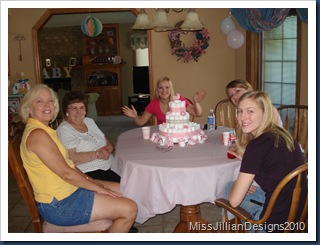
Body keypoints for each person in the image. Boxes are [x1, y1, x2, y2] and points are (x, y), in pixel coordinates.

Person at [19, 84, 137, 233]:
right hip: (59, 204)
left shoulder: (45, 130)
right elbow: (66, 173)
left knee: (126, 189)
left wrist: (92, 181)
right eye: (39, 101)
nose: (47, 105)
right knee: (130, 209)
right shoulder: (38, 135)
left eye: (50, 100)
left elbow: (69, 166)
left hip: (69, 190)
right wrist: (100, 189)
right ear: (28, 108)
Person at [225, 91, 307, 232]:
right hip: (299, 214)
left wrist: (235, 187)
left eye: (250, 111)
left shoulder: (256, 146)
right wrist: (246, 161)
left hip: (272, 225)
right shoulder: (283, 134)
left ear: (265, 113)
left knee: (228, 192)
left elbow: (234, 201)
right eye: (240, 111)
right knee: (236, 188)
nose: (242, 117)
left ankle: (228, 232)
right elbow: (272, 166)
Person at [56, 91, 120, 183]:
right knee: (128, 188)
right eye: (74, 108)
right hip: (90, 172)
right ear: (66, 111)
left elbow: (106, 141)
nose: (79, 112)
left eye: (82, 108)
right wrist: (98, 154)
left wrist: (108, 149)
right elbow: (71, 158)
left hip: (111, 165)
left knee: (137, 179)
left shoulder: (89, 121)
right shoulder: (64, 130)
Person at [122, 76, 207, 126]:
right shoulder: (154, 104)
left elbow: (198, 113)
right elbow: (140, 122)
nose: (164, 91)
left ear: (171, 89)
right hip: (163, 138)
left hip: (181, 136)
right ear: (157, 90)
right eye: (160, 88)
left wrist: (196, 103)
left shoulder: (179, 100)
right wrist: (135, 117)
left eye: (167, 87)